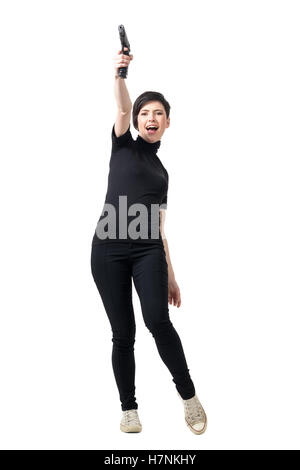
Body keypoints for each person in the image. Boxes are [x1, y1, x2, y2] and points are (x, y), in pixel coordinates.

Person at [90, 47, 207, 435]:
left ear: (168, 122)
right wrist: (121, 74)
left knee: (158, 319)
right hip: (107, 248)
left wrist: (171, 275)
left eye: (157, 113)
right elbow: (121, 109)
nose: (150, 118)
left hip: (147, 250)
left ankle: (188, 396)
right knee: (123, 334)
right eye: (144, 113)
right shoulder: (123, 142)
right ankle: (129, 409)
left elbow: (159, 225)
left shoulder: (162, 173)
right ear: (136, 121)